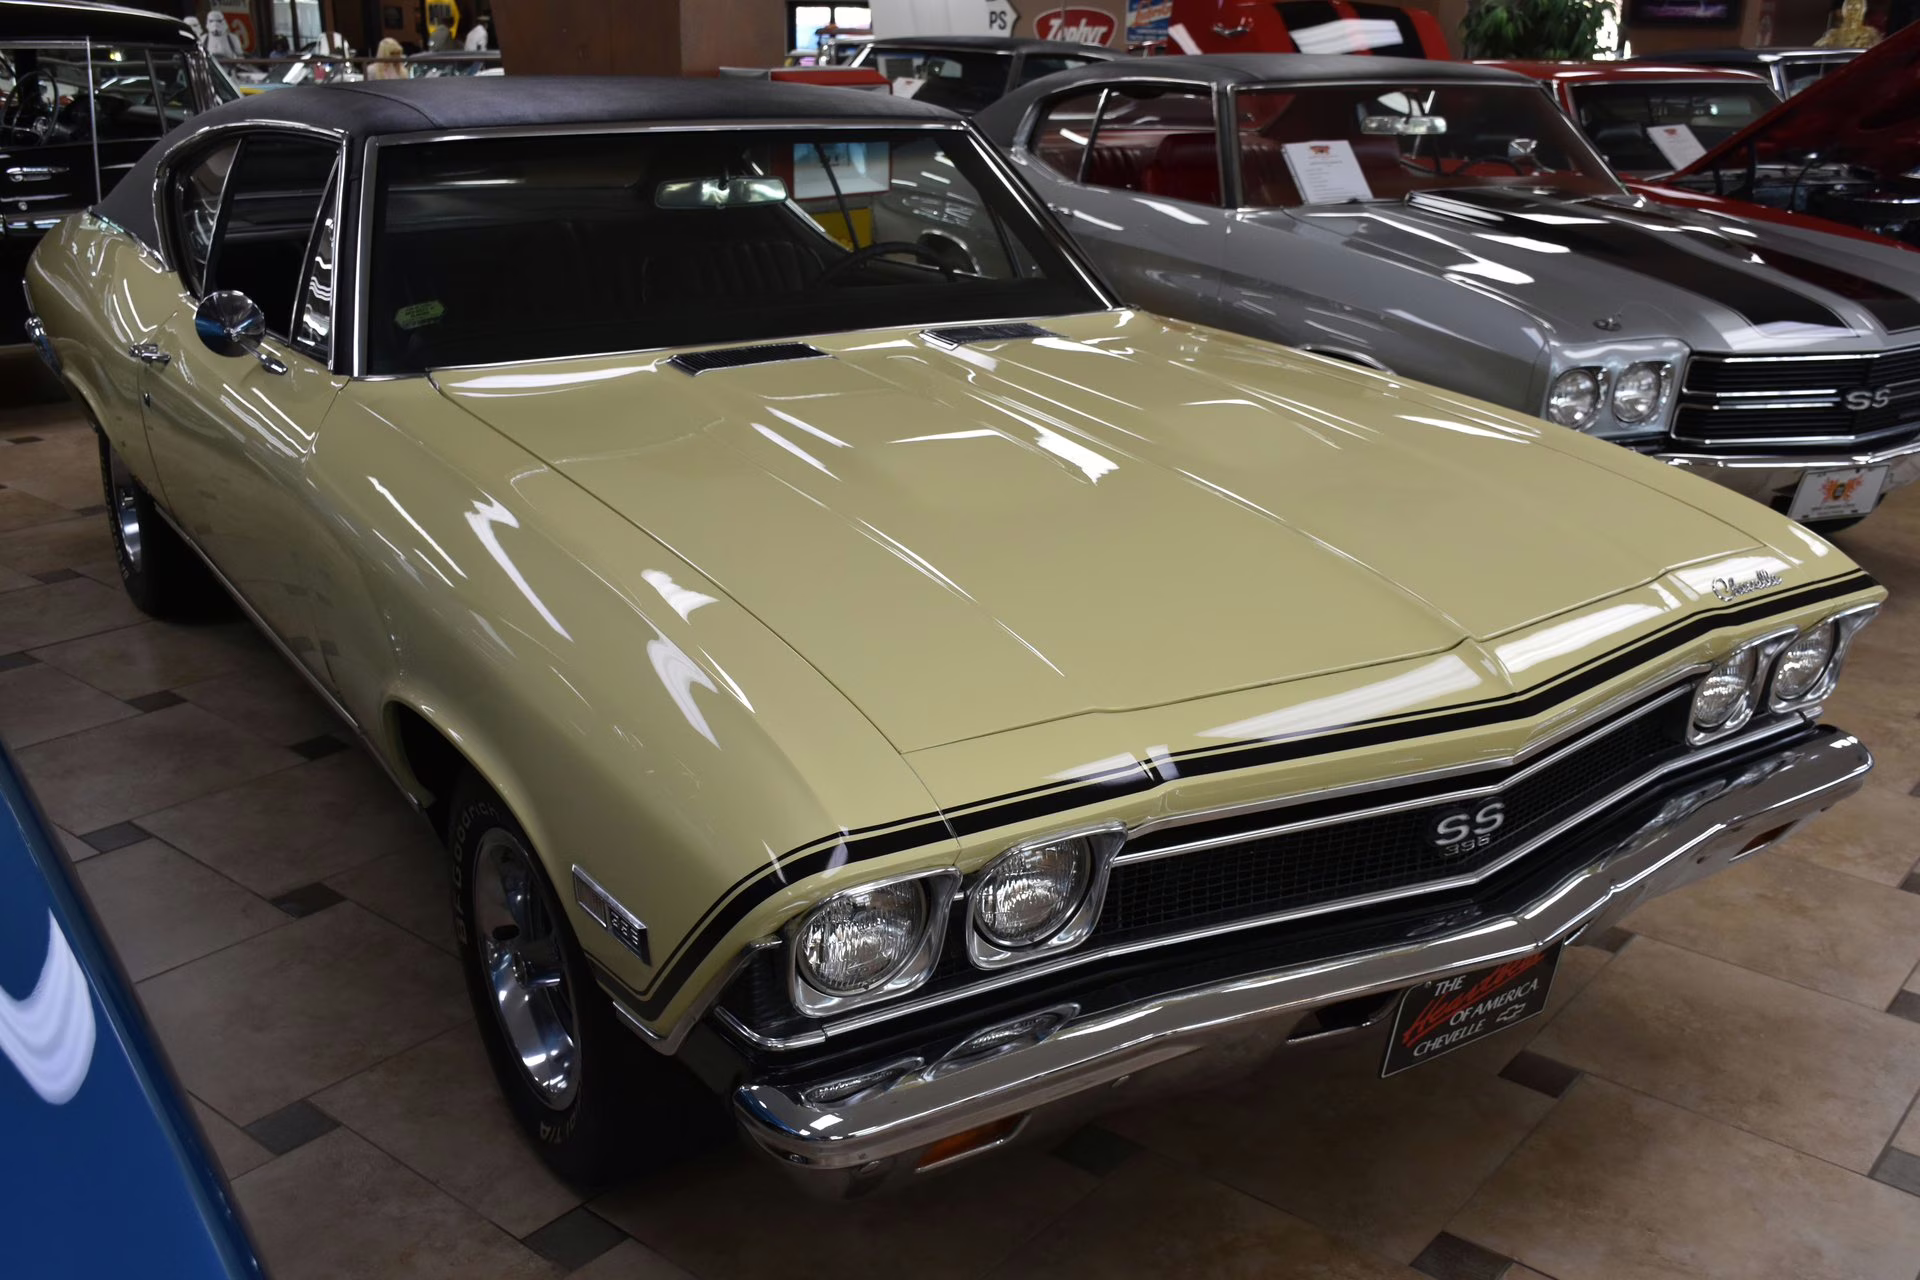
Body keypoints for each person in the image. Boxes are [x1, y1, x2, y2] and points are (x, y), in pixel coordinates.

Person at [1814, 0, 1882, 45]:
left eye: (1856, 9)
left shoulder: (1871, 33)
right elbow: (1816, 50)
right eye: (1849, 7)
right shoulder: (1833, 34)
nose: (1852, 12)